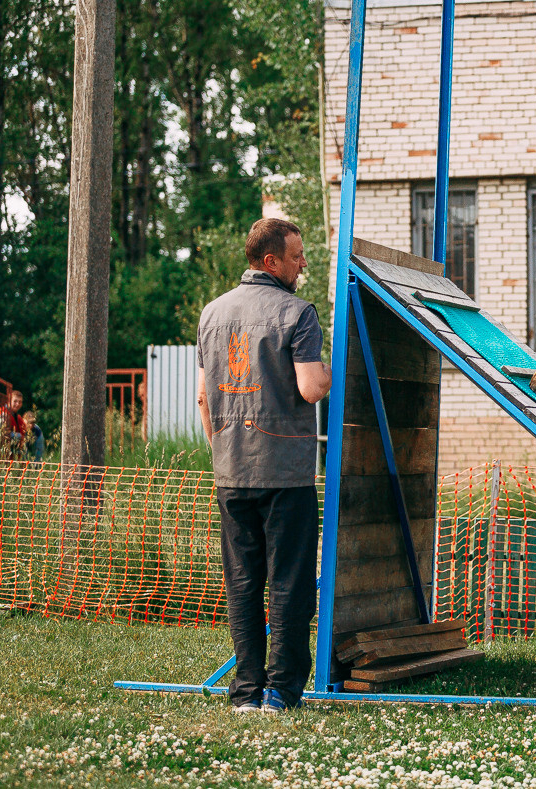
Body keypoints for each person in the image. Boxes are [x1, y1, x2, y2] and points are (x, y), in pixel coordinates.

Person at [197, 218, 332, 714]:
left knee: (243, 584)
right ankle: (280, 692)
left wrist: (222, 451)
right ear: (271, 262)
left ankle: (245, 692)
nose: (303, 264)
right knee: (289, 584)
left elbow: (203, 399)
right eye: (296, 256)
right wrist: (331, 371)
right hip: (285, 473)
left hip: (230, 471)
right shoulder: (298, 314)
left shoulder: (212, 313)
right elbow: (311, 388)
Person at [0, 391, 28, 457]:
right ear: (9, 401)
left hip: (12, 455)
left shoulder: (19, 418)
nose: (17, 404)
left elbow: (24, 434)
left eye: (20, 402)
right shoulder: (1, 413)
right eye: (15, 401)